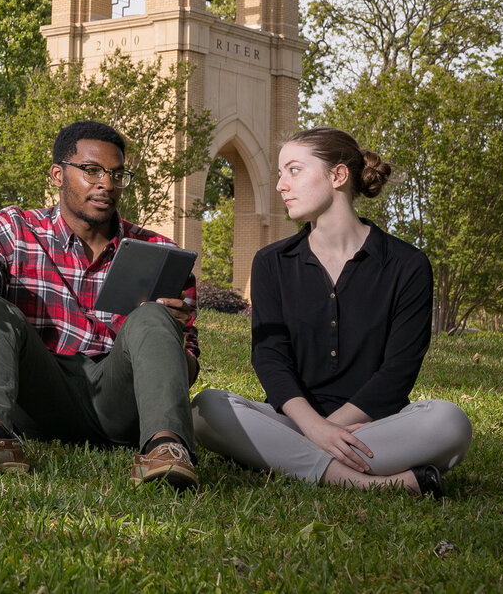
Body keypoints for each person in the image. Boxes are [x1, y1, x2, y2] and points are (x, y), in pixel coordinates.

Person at [0, 121, 201, 489]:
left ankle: (166, 449)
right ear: (57, 174)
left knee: (152, 316)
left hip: (121, 403)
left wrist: (167, 333)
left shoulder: (161, 254)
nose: (107, 184)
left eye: (117, 174)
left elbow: (190, 367)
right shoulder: (18, 228)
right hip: (41, 397)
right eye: (92, 171)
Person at [191, 127, 472, 497]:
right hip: (293, 421)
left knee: (450, 423)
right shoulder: (271, 263)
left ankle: (286, 460)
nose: (280, 186)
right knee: (206, 408)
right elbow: (270, 358)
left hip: (374, 427)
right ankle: (372, 483)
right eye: (279, 174)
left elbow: (399, 370)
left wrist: (327, 429)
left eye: (293, 170)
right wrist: (313, 427)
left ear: (337, 176)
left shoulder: (408, 264)